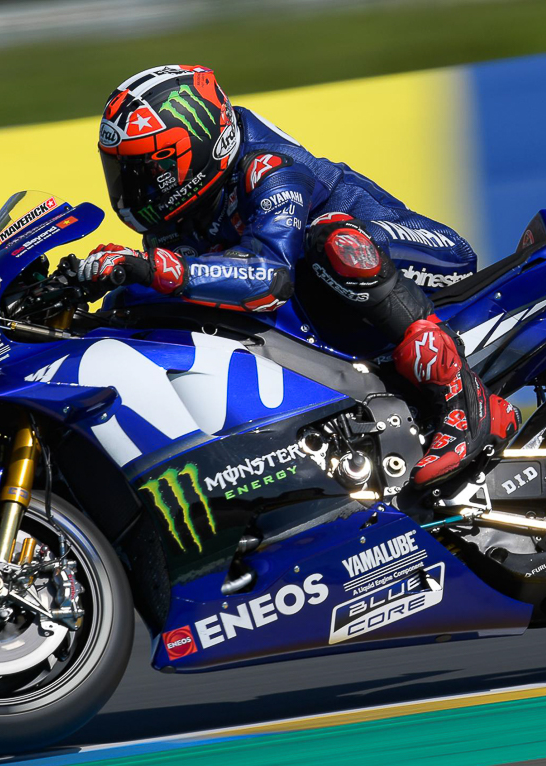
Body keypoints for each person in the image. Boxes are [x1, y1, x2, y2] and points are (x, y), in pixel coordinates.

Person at [77, 64, 518, 486]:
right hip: (338, 301)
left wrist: (152, 267)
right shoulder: (180, 222)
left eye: (150, 170)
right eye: (124, 172)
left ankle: (463, 401)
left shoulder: (268, 166)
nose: (137, 190)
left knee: (331, 240)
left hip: (426, 253)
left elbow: (269, 279)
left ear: (196, 148)